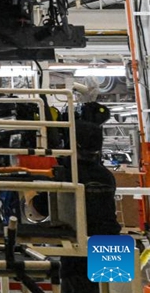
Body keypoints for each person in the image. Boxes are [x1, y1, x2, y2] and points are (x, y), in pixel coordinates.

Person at [59, 120, 121, 293]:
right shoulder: (106, 175)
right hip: (112, 241)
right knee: (114, 289)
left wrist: (29, 193)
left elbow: (38, 210)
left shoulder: (67, 173)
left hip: (80, 250)